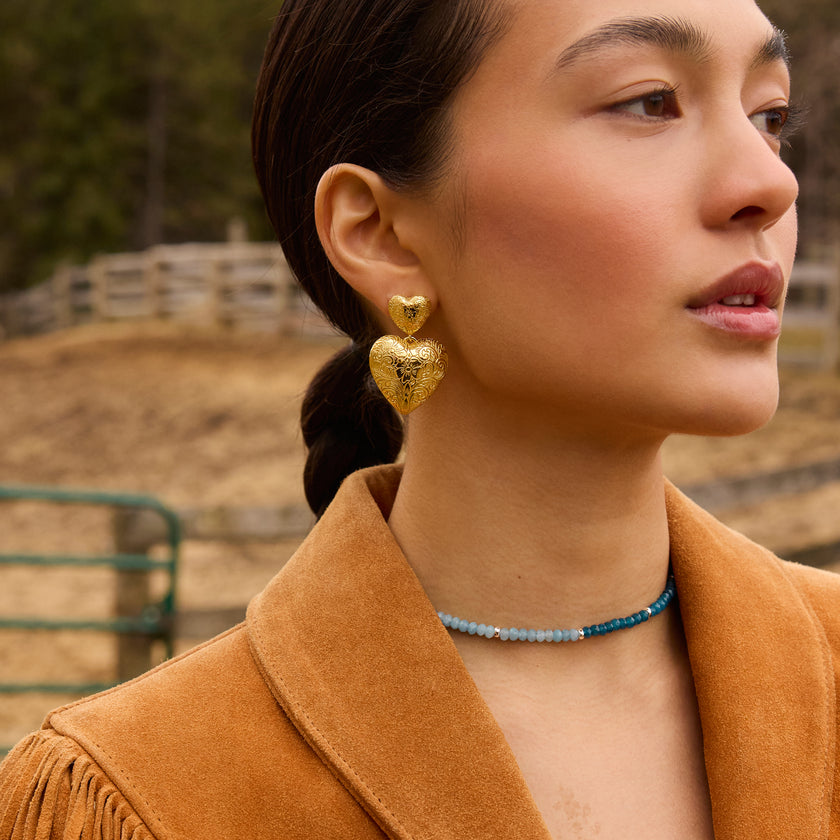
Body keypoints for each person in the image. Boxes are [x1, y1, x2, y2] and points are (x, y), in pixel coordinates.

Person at [2, 0, 838, 837]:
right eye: (651, 101)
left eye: (769, 116)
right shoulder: (142, 796)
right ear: (380, 233)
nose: (771, 183)